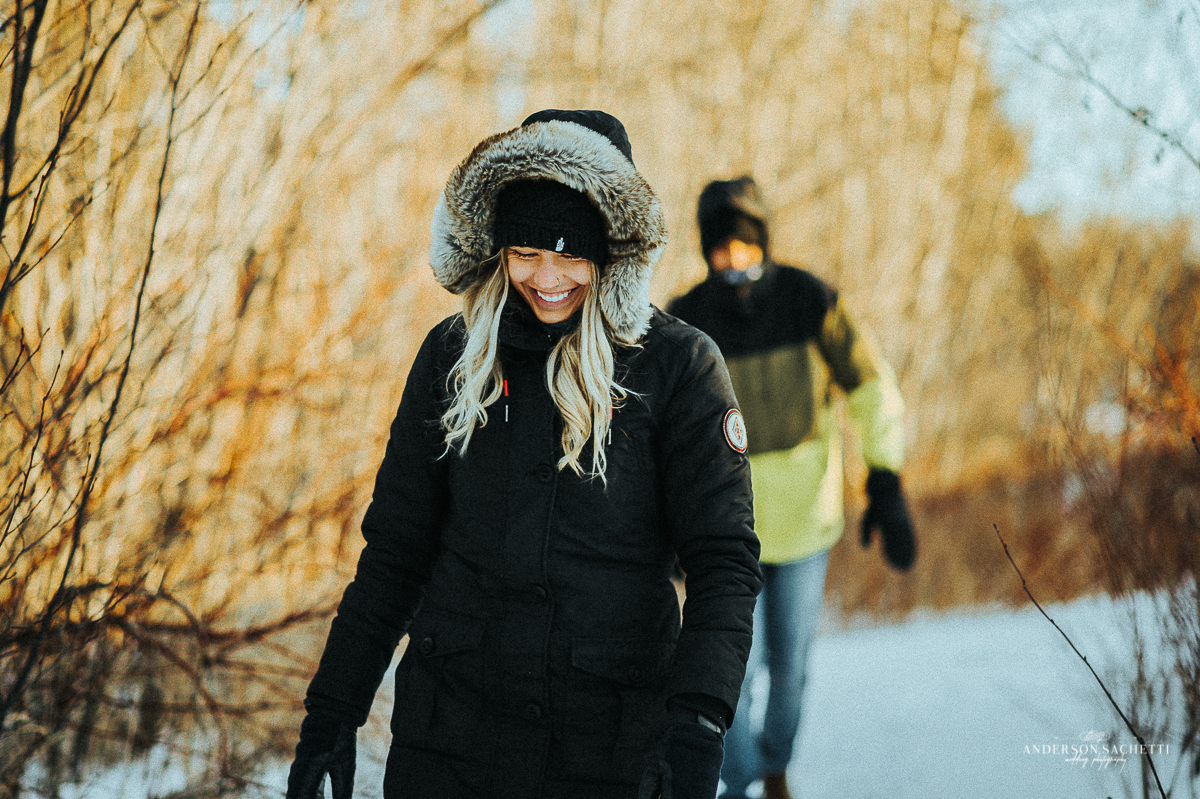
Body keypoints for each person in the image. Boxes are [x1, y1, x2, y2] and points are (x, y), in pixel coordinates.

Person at [285, 110, 762, 799]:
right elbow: (395, 553)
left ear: (610, 253)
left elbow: (724, 564)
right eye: (527, 252)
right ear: (497, 249)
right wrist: (331, 714)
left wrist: (697, 723)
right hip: (450, 747)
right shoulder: (452, 357)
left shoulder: (677, 368)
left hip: (608, 751)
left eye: (573, 254)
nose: (548, 277)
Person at [667, 177, 917, 799]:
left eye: (745, 248)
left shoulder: (811, 301)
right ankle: (744, 777)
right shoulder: (685, 320)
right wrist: (662, 520)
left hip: (806, 527)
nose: (734, 262)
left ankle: (773, 765)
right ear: (706, 251)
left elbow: (871, 389)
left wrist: (884, 480)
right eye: (721, 250)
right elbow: (658, 431)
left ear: (764, 243)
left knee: (792, 672)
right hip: (725, 537)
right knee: (727, 677)